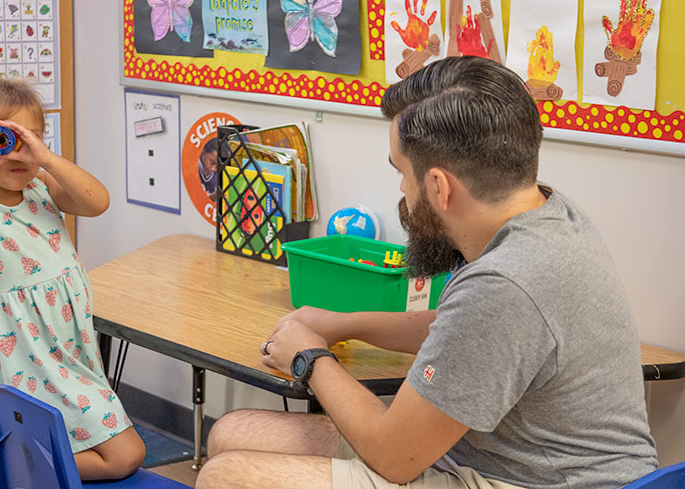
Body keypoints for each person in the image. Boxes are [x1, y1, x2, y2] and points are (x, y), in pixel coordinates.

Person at [195, 56, 658, 489]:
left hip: (529, 481)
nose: (400, 187)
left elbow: (394, 455)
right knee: (233, 433)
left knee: (227, 475)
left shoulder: (507, 284)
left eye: (402, 172)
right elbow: (459, 329)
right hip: (494, 457)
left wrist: (310, 357)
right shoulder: (546, 212)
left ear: (439, 186)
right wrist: (343, 323)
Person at [0, 79, 146, 481]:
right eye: (1, 140)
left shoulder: (41, 189)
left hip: (70, 347)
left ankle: (15, 461)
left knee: (86, 437)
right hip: (27, 352)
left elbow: (98, 201)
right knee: (126, 455)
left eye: (29, 139)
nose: (16, 152)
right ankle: (5, 465)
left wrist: (47, 159)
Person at [199, 137, 218, 201]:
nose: (213, 169)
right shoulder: (193, 169)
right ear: (203, 151)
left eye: (217, 166)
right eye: (212, 162)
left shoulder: (217, 175)